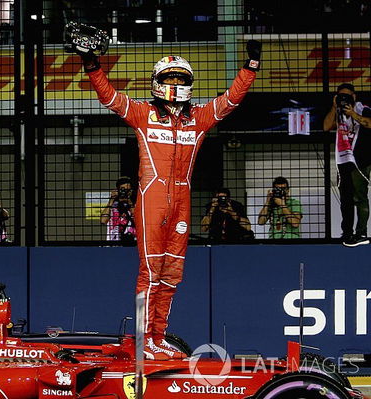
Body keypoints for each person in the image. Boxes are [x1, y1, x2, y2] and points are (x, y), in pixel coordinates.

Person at [72, 31, 262, 359]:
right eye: (169, 77)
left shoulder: (199, 118)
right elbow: (110, 97)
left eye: (180, 77)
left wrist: (251, 65)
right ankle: (143, 339)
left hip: (183, 203)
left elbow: (231, 100)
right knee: (151, 270)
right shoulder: (142, 114)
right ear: (156, 82)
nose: (174, 82)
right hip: (152, 199)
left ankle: (157, 338)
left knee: (173, 273)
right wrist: (91, 64)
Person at [323, 83, 371, 247]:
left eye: (347, 96)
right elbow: (326, 126)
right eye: (341, 96)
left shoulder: (362, 108)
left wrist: (352, 113)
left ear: (354, 97)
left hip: (360, 161)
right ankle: (348, 233)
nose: (345, 99)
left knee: (360, 196)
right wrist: (334, 106)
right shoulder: (338, 114)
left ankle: (361, 232)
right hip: (344, 162)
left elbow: (369, 123)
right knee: (346, 199)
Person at [100, 176, 136, 243]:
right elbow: (103, 221)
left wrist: (130, 202)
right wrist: (111, 200)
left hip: (132, 242)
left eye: (127, 190)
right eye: (123, 190)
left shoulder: (135, 205)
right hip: (113, 243)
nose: (125, 193)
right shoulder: (112, 205)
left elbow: (138, 221)